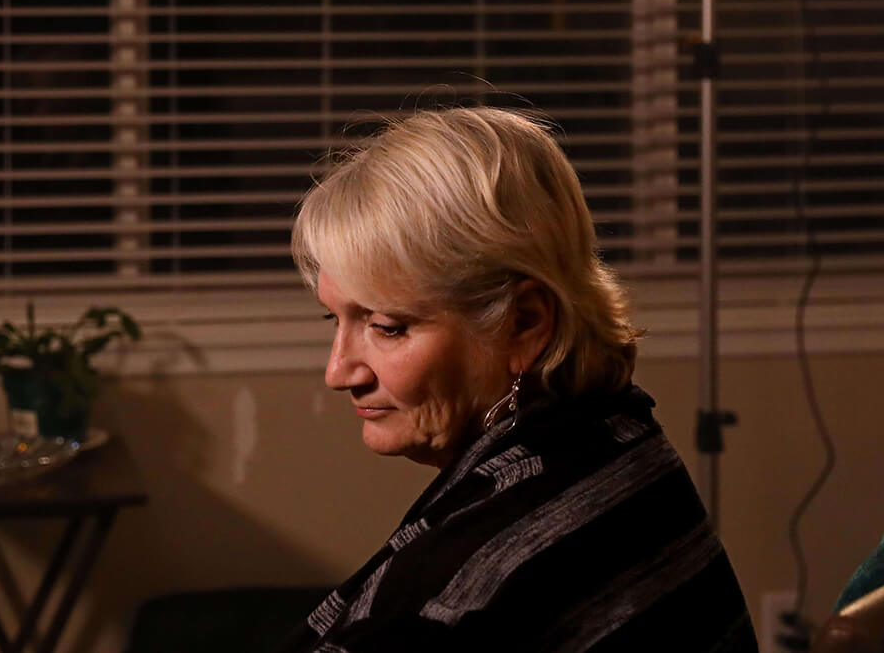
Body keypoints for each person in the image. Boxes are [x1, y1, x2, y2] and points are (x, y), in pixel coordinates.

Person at [278, 106, 757, 653]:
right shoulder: (613, 429)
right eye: (334, 319)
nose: (338, 372)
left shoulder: (481, 588)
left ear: (524, 324)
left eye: (387, 327)